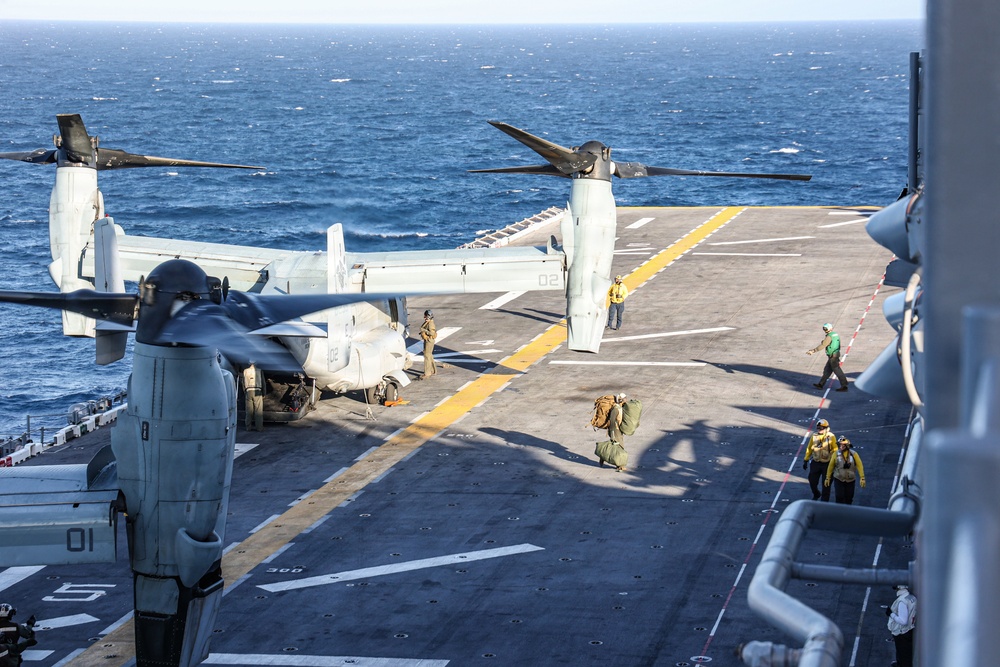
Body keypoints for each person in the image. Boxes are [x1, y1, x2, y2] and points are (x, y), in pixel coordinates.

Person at [807, 323, 849, 391]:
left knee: (837, 371)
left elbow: (823, 345)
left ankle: (844, 386)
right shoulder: (835, 334)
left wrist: (813, 351)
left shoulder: (829, 336)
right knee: (827, 370)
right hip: (835, 354)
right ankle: (821, 384)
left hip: (833, 357)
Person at [802, 418, 837, 501]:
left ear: (826, 429)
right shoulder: (814, 436)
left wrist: (834, 461)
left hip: (827, 463)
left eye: (821, 428)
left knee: (826, 484)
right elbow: (809, 448)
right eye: (818, 428)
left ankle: (824, 502)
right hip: (816, 462)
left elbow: (835, 449)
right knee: (812, 481)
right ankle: (816, 493)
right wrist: (806, 460)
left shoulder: (831, 437)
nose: (819, 430)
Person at [825, 436, 865, 504]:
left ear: (847, 446)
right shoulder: (836, 454)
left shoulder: (854, 454)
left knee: (849, 498)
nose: (841, 446)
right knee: (839, 496)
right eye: (839, 445)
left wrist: (862, 477)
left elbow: (859, 465)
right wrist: (827, 477)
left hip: (850, 480)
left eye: (843, 445)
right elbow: (830, 466)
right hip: (838, 479)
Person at [886, 584, 916, 667]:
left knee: (903, 654)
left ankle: (901, 664)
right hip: (910, 629)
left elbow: (903, 621)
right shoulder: (911, 597)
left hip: (902, 632)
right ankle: (899, 663)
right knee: (904, 652)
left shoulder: (902, 601)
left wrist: (891, 614)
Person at [0, 603, 36, 667]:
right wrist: (31, 623)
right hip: (12, 658)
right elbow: (27, 633)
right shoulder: (15, 626)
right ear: (10, 614)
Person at [242, 362, 264, 431]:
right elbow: (263, 382)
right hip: (257, 390)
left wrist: (245, 391)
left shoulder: (245, 371)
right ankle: (259, 428)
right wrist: (264, 393)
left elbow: (243, 382)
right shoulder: (259, 370)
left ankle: (248, 427)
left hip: (248, 391)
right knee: (258, 411)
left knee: (249, 411)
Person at [419, 309, 437, 379]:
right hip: (428, 340)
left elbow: (432, 333)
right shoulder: (428, 322)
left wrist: (424, 331)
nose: (424, 317)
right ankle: (432, 370)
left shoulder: (430, 323)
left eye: (425, 316)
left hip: (429, 341)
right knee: (429, 355)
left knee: (427, 355)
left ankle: (427, 373)